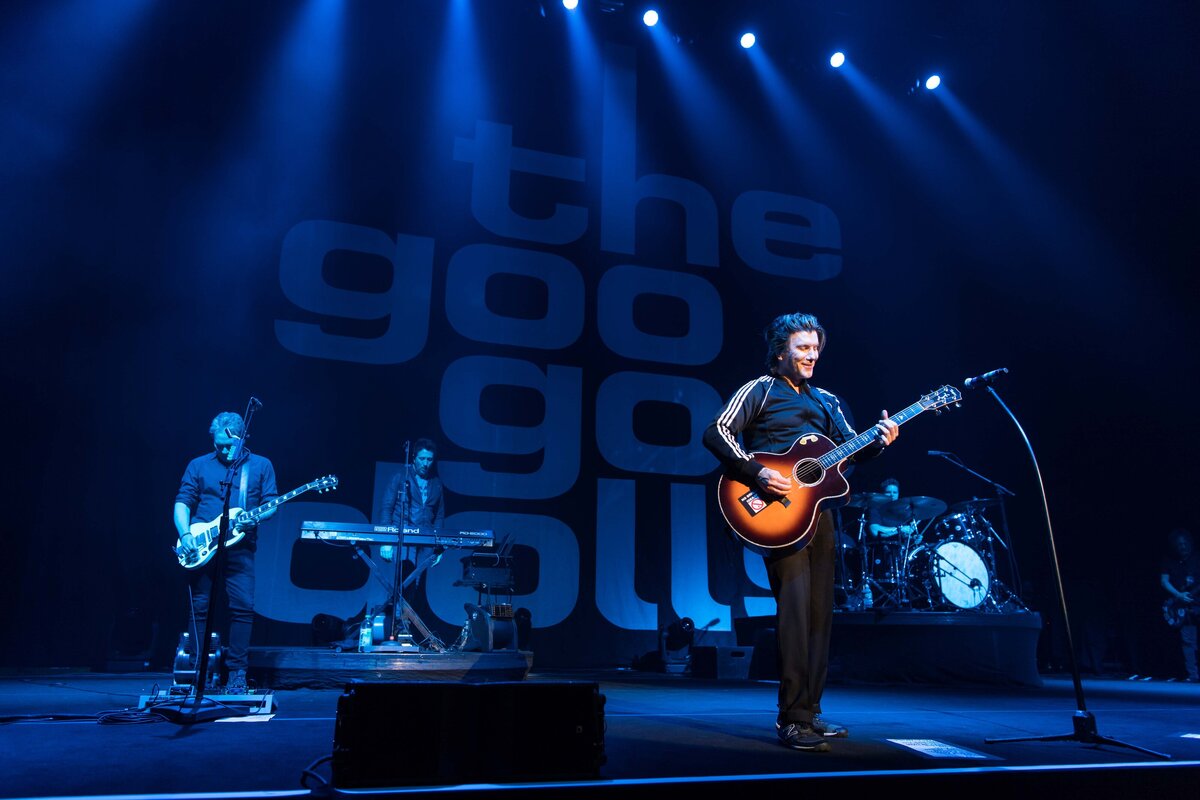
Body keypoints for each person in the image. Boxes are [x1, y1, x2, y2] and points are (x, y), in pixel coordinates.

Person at [703, 312, 900, 752]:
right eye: (802, 348)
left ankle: (810, 712)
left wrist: (881, 440)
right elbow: (717, 432)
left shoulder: (829, 401)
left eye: (815, 349)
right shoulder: (759, 390)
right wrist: (756, 472)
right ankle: (792, 719)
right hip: (777, 512)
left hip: (820, 515)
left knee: (818, 618)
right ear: (780, 352)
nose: (812, 356)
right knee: (793, 615)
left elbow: (852, 452)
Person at [174, 411, 278, 692]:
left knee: (242, 609)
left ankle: (236, 673)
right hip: (200, 545)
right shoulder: (198, 465)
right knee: (200, 609)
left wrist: (256, 517)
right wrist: (185, 535)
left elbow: (271, 504)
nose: (222, 450)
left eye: (228, 445)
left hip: (240, 547)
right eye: (217, 444)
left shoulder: (260, 465)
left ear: (243, 438)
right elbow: (183, 502)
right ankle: (197, 671)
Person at [1160, 528, 1199, 682]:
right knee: (1188, 641)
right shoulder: (1169, 560)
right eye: (1179, 544)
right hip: (1181, 606)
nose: (1182, 546)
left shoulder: (1197, 558)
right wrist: (1178, 595)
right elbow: (1164, 580)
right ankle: (1193, 675)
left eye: (1185, 543)